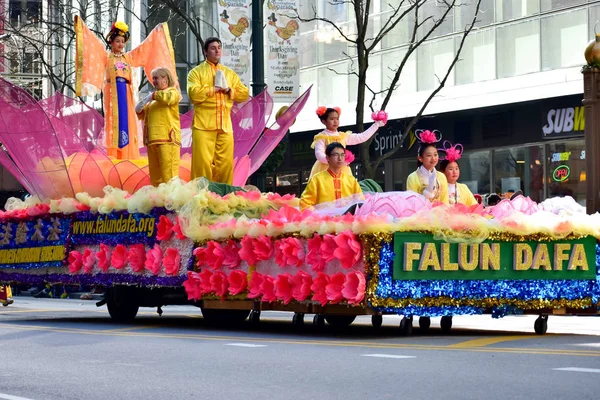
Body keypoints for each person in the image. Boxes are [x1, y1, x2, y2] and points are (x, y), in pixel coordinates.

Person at [74, 17, 177, 160]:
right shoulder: (107, 57)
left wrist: (157, 31)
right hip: (114, 94)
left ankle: (129, 154)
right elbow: (94, 46)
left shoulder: (128, 58)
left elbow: (145, 47)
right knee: (116, 122)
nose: (121, 44)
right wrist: (82, 27)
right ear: (111, 41)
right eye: (117, 41)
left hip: (126, 93)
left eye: (122, 41)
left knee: (128, 121)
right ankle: (117, 155)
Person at [187, 37, 249, 184]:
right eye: (213, 48)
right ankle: (200, 197)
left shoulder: (229, 73)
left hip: (225, 126)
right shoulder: (196, 73)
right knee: (201, 164)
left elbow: (244, 94)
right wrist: (212, 90)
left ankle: (224, 198)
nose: (217, 50)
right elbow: (193, 94)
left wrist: (229, 90)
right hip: (203, 125)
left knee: (226, 165)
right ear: (205, 52)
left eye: (219, 47)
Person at [135, 67, 182, 186]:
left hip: (168, 139)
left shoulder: (172, 92)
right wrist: (140, 107)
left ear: (165, 78)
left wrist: (152, 96)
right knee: (155, 175)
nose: (154, 81)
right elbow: (143, 115)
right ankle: (158, 199)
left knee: (168, 174)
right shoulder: (152, 100)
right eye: (153, 78)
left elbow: (169, 100)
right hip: (152, 140)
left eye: (156, 78)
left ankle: (171, 201)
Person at [310, 106, 385, 179]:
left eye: (337, 118)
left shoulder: (342, 136)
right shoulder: (321, 137)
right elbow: (319, 155)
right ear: (324, 121)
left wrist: (376, 125)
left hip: (342, 170)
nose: (335, 121)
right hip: (325, 170)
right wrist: (335, 161)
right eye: (332, 119)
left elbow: (361, 137)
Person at [300, 142, 363, 210]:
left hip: (348, 219)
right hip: (324, 220)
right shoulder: (317, 179)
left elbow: (360, 202)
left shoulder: (351, 180)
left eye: (342, 155)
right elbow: (305, 203)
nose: (340, 158)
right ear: (327, 158)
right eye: (336, 155)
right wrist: (319, 215)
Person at [406, 130, 449, 204]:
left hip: (439, 214)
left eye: (435, 155)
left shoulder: (441, 177)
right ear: (420, 158)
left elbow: (445, 202)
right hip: (420, 214)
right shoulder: (412, 178)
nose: (433, 158)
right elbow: (412, 202)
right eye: (429, 155)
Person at [438, 141, 477, 206]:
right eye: (451, 169)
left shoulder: (463, 188)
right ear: (443, 172)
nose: (455, 171)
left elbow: (474, 205)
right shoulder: (438, 189)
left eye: (456, 168)